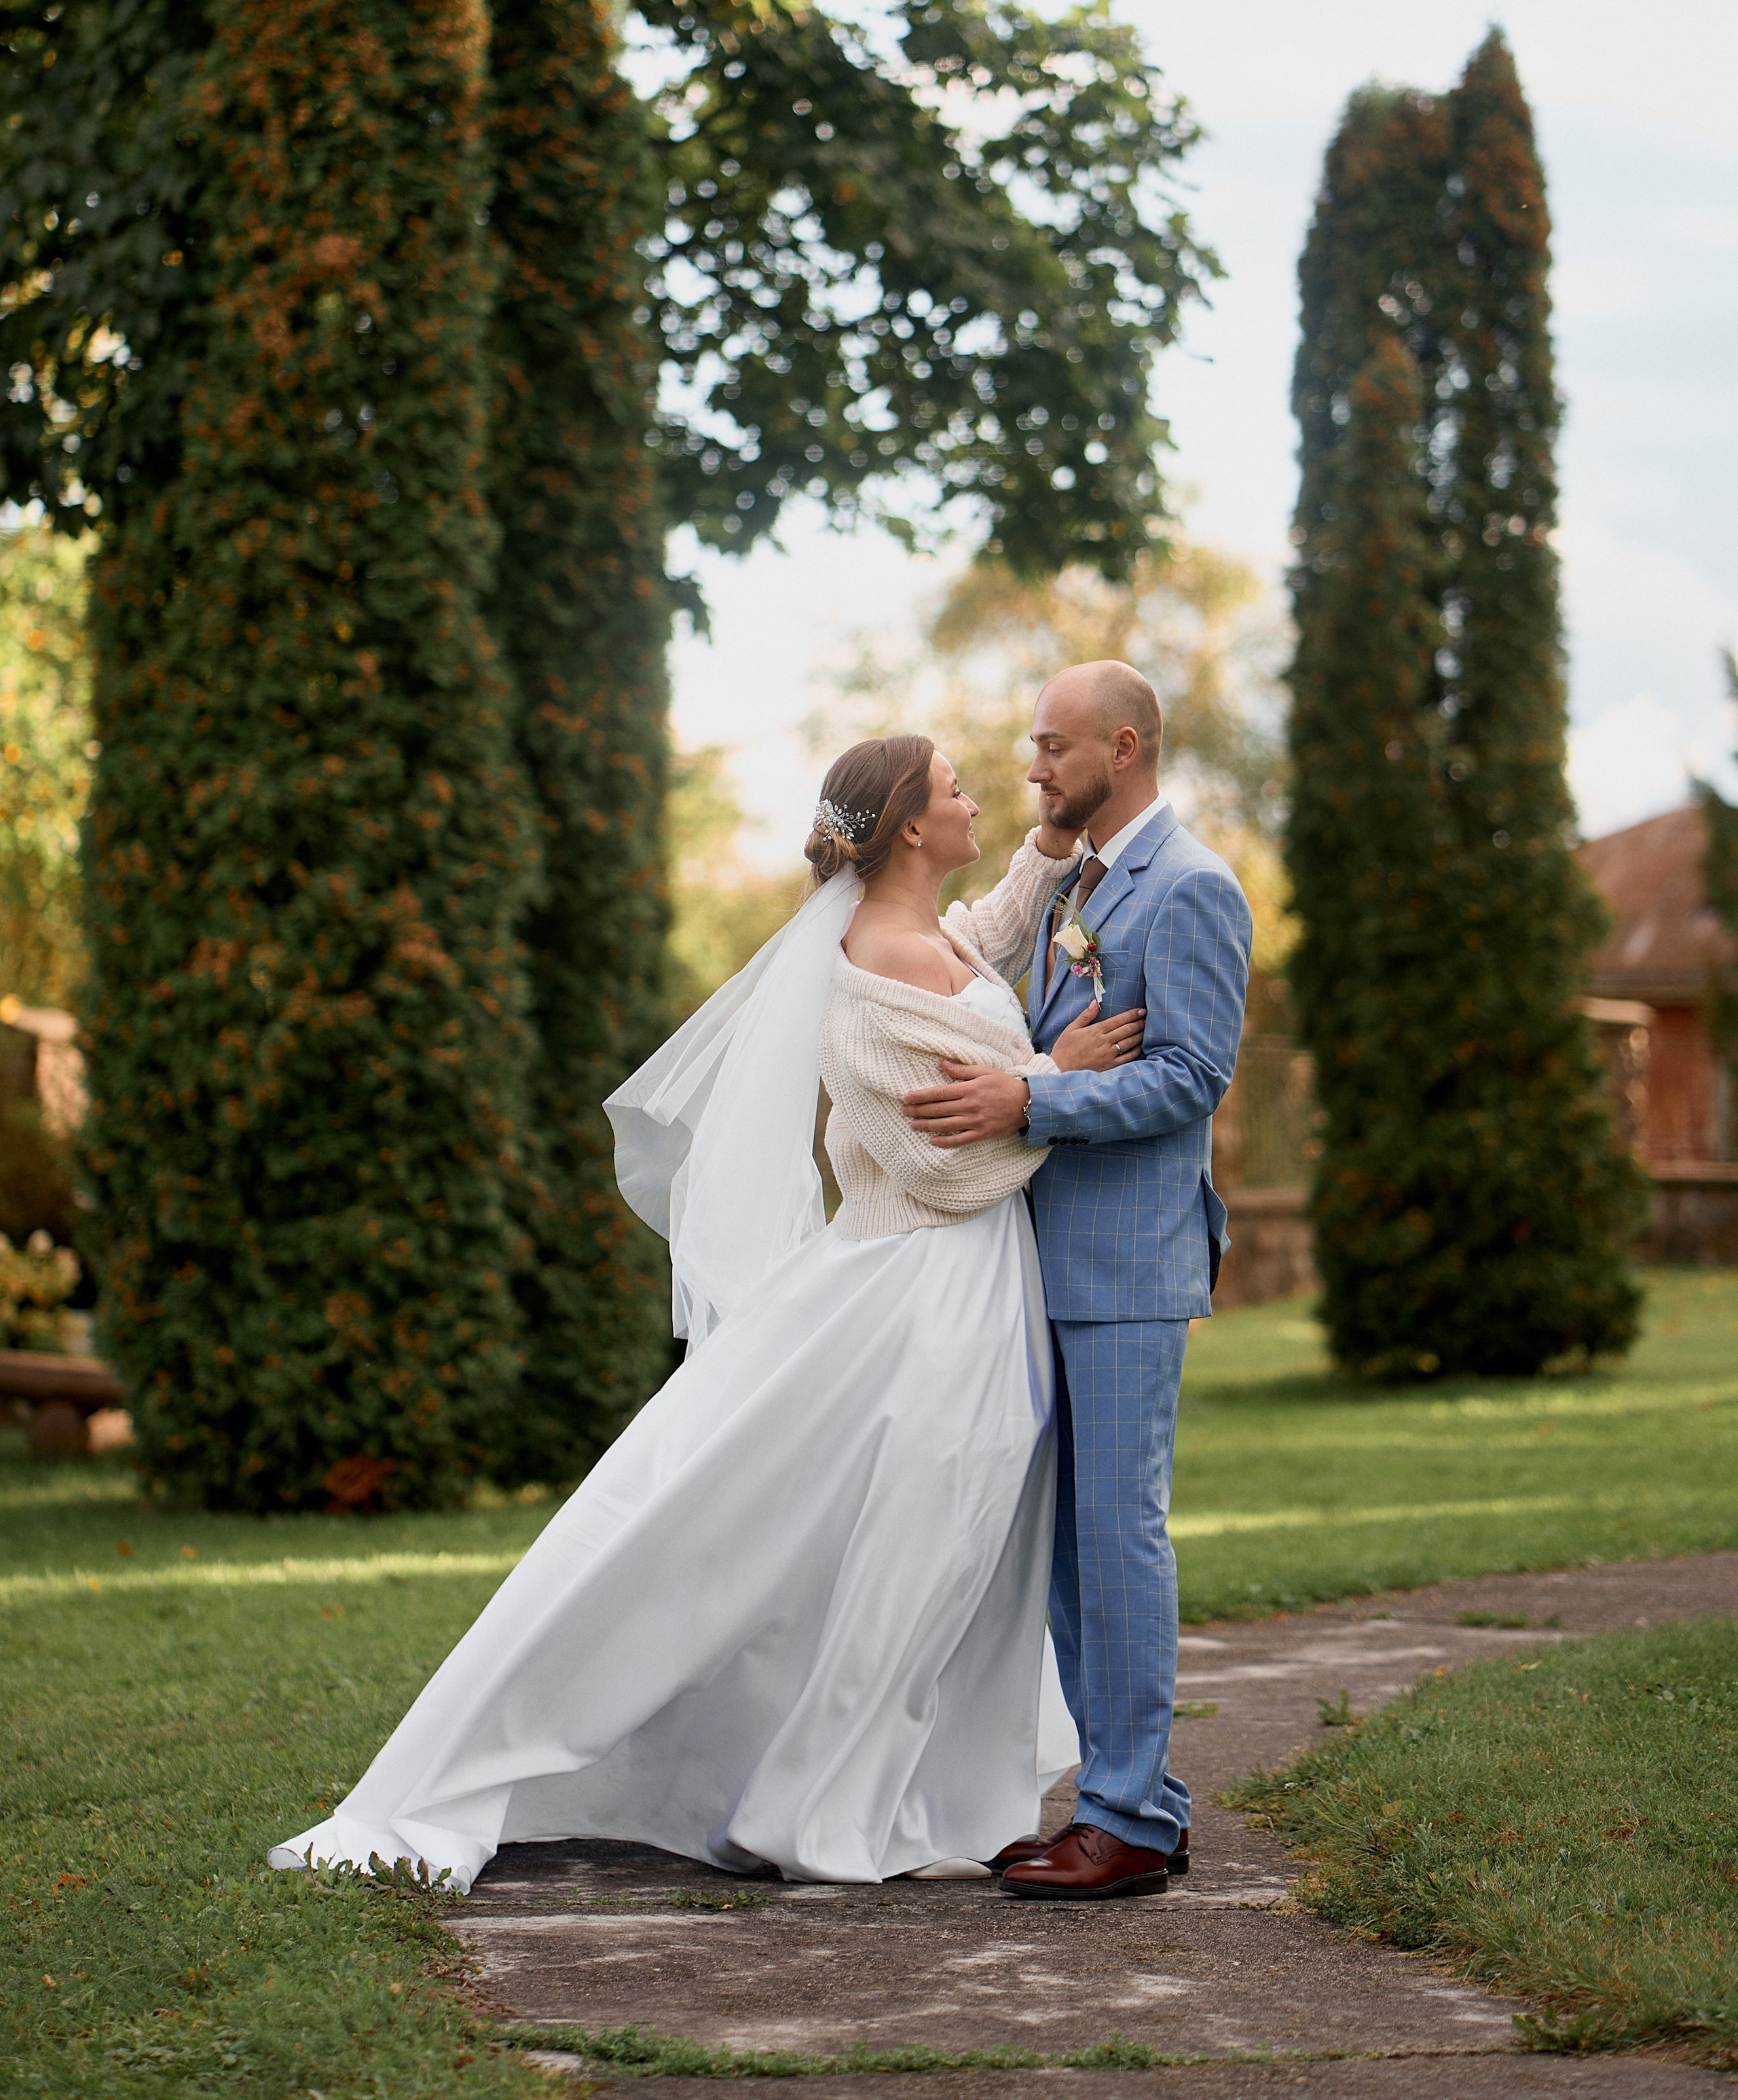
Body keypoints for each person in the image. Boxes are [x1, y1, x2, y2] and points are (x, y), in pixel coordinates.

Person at [270, 733, 1141, 1891]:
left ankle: (883, 1789)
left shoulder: (923, 936)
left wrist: (1044, 849)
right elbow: (934, 1168)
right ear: (912, 832)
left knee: (942, 1556)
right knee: (901, 1553)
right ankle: (812, 1810)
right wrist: (1060, 1084)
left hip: (964, 1291)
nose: (977, 799)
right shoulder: (876, 964)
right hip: (923, 1296)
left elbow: (980, 951)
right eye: (955, 793)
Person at [904, 662, 1251, 1902]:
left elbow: (1191, 1078)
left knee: (1117, 1542)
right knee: (1066, 1555)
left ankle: (1127, 1824)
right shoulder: (1076, 882)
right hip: (1041, 1267)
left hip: (1126, 1270)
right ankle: (1132, 1802)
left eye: (1054, 747)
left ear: (1124, 745)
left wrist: (1030, 1098)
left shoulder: (1195, 888)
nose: (1034, 768)